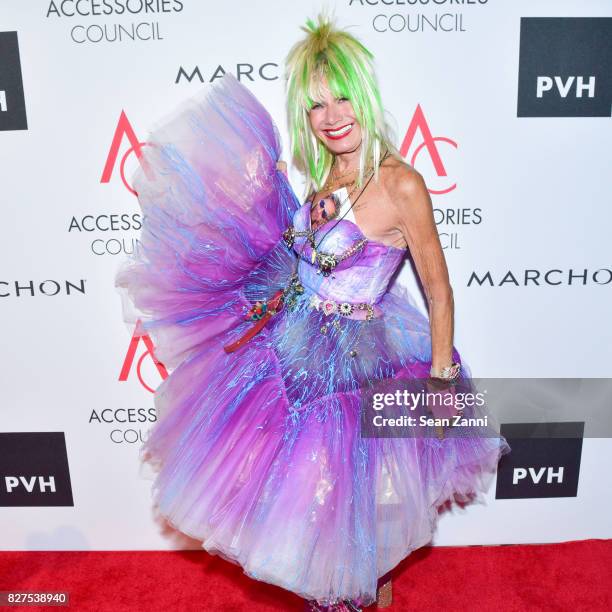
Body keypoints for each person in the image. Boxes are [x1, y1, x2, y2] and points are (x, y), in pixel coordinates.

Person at [115, 13, 510, 612]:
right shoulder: (326, 170)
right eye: (315, 106)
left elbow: (439, 289)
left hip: (359, 365)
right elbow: (310, 260)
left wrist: (440, 382)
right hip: (294, 346)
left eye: (343, 97)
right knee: (314, 510)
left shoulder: (402, 184)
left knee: (358, 518)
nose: (332, 117)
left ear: (367, 96)